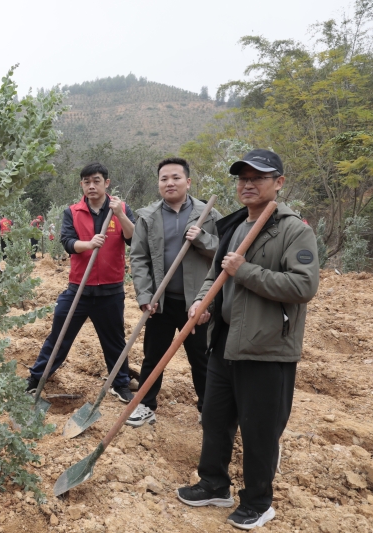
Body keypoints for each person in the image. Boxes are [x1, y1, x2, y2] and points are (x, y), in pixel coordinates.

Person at [175, 149, 319, 530]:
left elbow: (304, 285)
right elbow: (214, 274)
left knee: (259, 429)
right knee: (215, 418)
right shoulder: (237, 226)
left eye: (258, 177)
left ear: (279, 183)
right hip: (225, 341)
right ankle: (213, 483)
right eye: (243, 178)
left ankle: (258, 501)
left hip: (267, 347)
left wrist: (247, 270)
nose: (248, 184)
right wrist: (200, 304)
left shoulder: (294, 230)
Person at [26, 163, 136, 403]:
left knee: (115, 340)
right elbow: (66, 242)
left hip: (111, 290)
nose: (91, 186)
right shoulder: (72, 211)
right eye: (86, 182)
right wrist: (88, 244)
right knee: (59, 336)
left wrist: (120, 215)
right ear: (81, 185)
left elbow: (133, 238)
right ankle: (36, 379)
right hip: (79, 288)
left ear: (106, 183)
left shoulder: (121, 209)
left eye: (96, 181)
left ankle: (120, 383)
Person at [126, 157, 221, 427]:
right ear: (158, 184)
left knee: (202, 359)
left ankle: (209, 410)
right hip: (161, 302)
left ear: (188, 182)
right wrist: (145, 296)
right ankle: (145, 405)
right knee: (153, 357)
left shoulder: (209, 214)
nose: (170, 183)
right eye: (164, 178)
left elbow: (224, 251)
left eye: (176, 178)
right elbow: (139, 258)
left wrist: (202, 238)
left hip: (197, 304)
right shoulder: (148, 216)